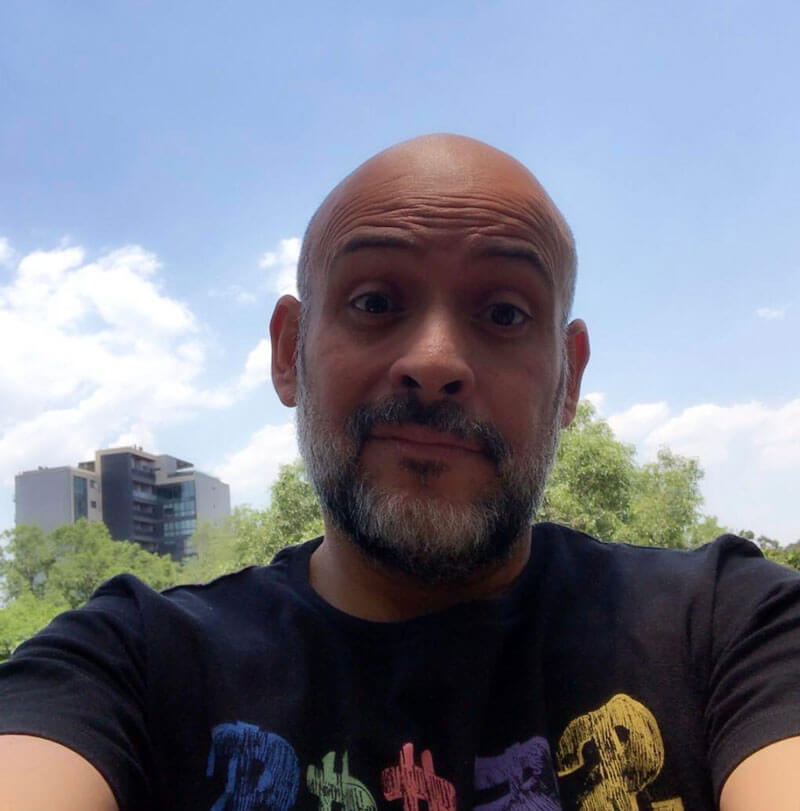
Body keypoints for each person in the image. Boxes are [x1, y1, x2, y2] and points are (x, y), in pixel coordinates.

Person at [0, 134, 799, 811]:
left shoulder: (732, 629)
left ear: (569, 379)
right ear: (289, 352)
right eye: (376, 301)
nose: (435, 361)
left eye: (505, 313)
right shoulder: (130, 665)